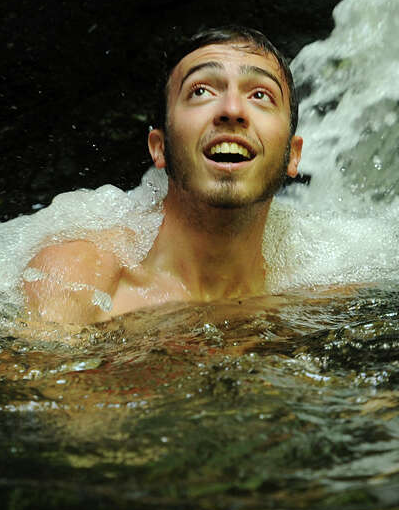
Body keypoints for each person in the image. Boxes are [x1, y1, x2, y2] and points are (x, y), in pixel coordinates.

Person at [21, 25, 303, 325]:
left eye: (260, 94)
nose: (232, 109)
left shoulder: (321, 281)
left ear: (293, 154)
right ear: (160, 147)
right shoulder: (82, 278)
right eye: (201, 91)